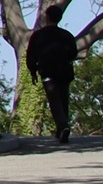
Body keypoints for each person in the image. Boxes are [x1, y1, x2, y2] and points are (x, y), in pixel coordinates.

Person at [24, 7, 78, 144]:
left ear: (47, 17)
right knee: (63, 99)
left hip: (47, 71)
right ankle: (62, 128)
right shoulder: (66, 35)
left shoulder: (38, 36)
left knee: (54, 100)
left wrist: (33, 71)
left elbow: (31, 55)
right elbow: (73, 53)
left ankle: (63, 126)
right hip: (64, 71)